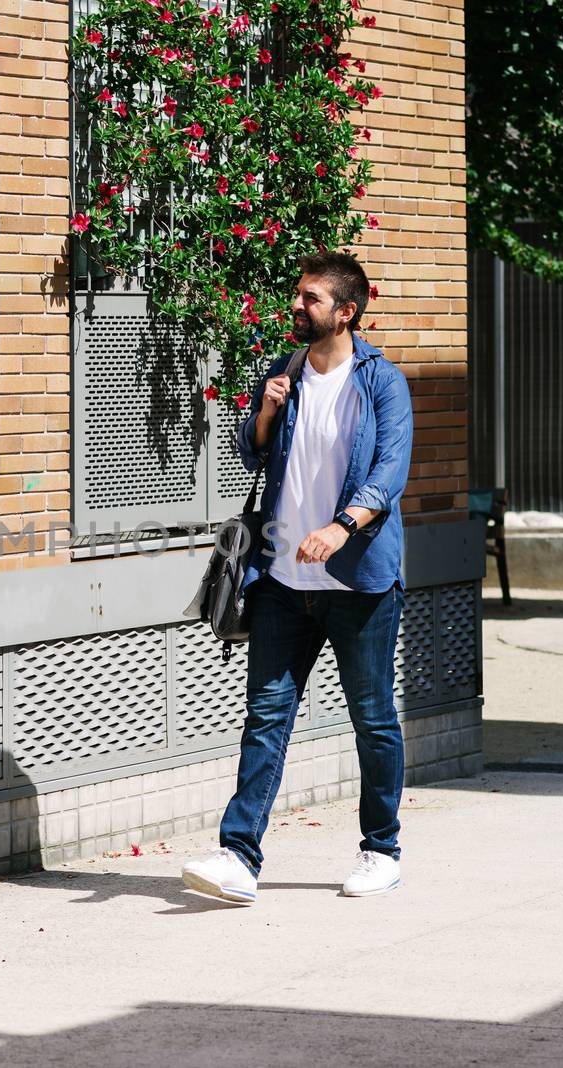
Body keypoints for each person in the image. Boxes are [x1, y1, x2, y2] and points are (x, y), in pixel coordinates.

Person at [182, 251, 414, 903]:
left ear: (346, 310)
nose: (297, 306)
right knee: (266, 715)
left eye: (310, 298)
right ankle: (238, 856)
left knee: (371, 718)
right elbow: (250, 450)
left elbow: (389, 472)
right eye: (298, 295)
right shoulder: (283, 373)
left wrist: (342, 526)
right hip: (283, 580)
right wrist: (264, 413)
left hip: (359, 584)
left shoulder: (380, 382)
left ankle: (381, 850)